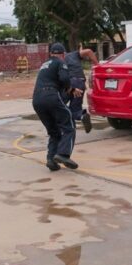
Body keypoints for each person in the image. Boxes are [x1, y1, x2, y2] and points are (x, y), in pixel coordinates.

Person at [32, 43, 78, 171]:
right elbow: (64, 78)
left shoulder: (45, 65)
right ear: (63, 54)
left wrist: (72, 89)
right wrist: (70, 87)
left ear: (51, 53)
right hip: (50, 95)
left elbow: (51, 80)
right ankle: (63, 154)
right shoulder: (60, 62)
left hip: (37, 100)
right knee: (69, 124)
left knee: (54, 132)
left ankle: (51, 160)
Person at [54, 44, 99, 133]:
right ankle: (82, 116)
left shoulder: (57, 61)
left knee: (58, 105)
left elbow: (59, 79)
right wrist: (97, 65)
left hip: (69, 83)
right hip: (81, 83)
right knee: (76, 109)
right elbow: (89, 51)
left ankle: (61, 128)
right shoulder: (74, 54)